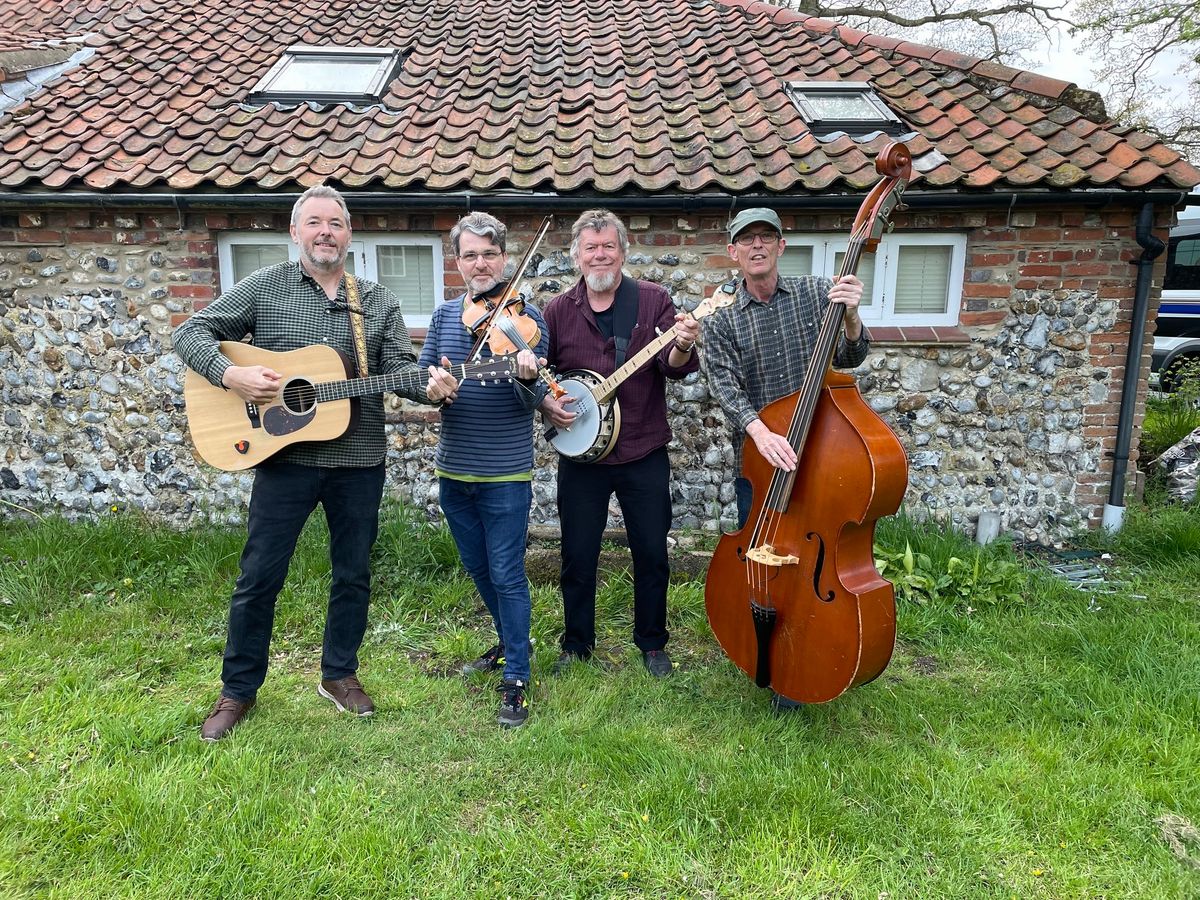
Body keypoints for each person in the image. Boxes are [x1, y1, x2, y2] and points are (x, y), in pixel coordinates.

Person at [174, 185, 457, 741]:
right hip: (286, 459)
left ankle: (339, 674)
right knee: (260, 576)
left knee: (352, 573)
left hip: (358, 459)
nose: (326, 232)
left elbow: (400, 369)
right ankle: (238, 690)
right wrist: (232, 375)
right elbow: (190, 332)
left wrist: (436, 386)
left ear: (349, 234)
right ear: (295, 232)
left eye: (337, 223)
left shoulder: (375, 300)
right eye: (315, 223)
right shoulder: (264, 287)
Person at [700, 208, 868, 709]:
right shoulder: (724, 320)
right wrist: (760, 431)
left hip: (823, 455)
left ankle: (813, 652)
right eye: (746, 240)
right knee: (764, 563)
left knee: (812, 560)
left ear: (781, 246)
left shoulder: (820, 296)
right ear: (733, 252)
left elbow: (852, 358)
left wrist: (853, 316)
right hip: (759, 459)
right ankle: (763, 651)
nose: (756, 246)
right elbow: (723, 385)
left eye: (765, 238)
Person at [540, 209, 700, 677]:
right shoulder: (557, 310)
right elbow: (541, 377)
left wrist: (684, 344)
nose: (600, 255)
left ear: (624, 252)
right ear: (576, 257)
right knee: (578, 554)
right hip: (582, 457)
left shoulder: (653, 301)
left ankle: (652, 644)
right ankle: (577, 643)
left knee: (651, 551)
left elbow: (675, 367)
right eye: (591, 247)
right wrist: (549, 406)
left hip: (643, 451)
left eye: (608, 246)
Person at [419, 212, 546, 728]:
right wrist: (431, 388)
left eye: (488, 254)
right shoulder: (444, 317)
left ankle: (516, 674)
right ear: (458, 262)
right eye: (469, 255)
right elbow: (422, 376)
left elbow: (537, 394)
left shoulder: (526, 319)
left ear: (504, 258)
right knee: (478, 569)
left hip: (506, 472)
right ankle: (513, 642)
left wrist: (527, 375)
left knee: (508, 574)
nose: (479, 263)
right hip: (455, 469)